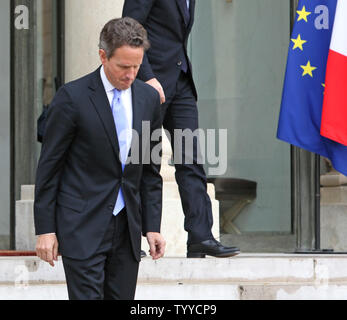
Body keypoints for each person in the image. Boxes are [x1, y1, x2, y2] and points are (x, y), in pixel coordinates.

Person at [34, 17, 166, 300]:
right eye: (123, 67)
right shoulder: (72, 97)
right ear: (103, 56)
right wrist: (45, 229)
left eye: (137, 66)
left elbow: (150, 170)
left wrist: (152, 226)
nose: (131, 75)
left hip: (127, 229)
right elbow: (49, 168)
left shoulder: (148, 99)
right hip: (81, 225)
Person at [123, 0, 240, 258]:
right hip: (150, 84)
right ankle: (130, 239)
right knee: (143, 161)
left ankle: (200, 236)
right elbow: (129, 28)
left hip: (181, 81)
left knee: (191, 159)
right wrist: (146, 76)